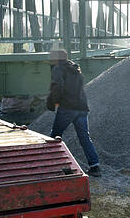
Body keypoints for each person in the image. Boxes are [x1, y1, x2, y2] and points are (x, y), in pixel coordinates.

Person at [47, 49, 101, 177]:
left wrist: (54, 101)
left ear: (56, 59)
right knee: (84, 138)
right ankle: (95, 166)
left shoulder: (58, 69)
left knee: (55, 136)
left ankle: (53, 165)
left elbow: (58, 86)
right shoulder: (76, 69)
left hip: (67, 107)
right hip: (82, 108)